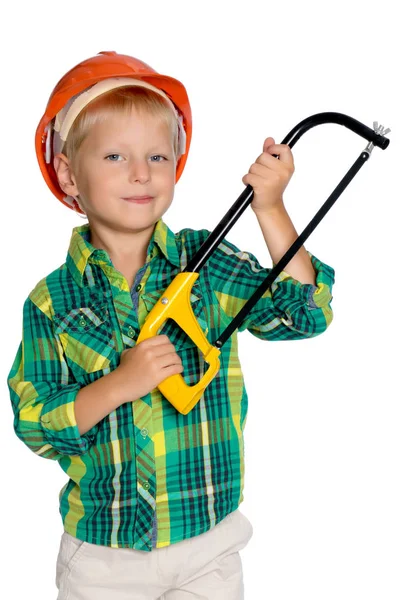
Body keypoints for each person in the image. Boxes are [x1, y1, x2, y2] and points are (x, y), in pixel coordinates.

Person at [7, 50, 335, 600]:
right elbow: (35, 424)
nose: (141, 173)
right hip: (103, 556)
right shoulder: (51, 301)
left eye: (158, 156)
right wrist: (119, 384)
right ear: (69, 173)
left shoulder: (205, 262)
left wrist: (271, 209)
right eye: (114, 155)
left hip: (209, 543)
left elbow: (304, 314)